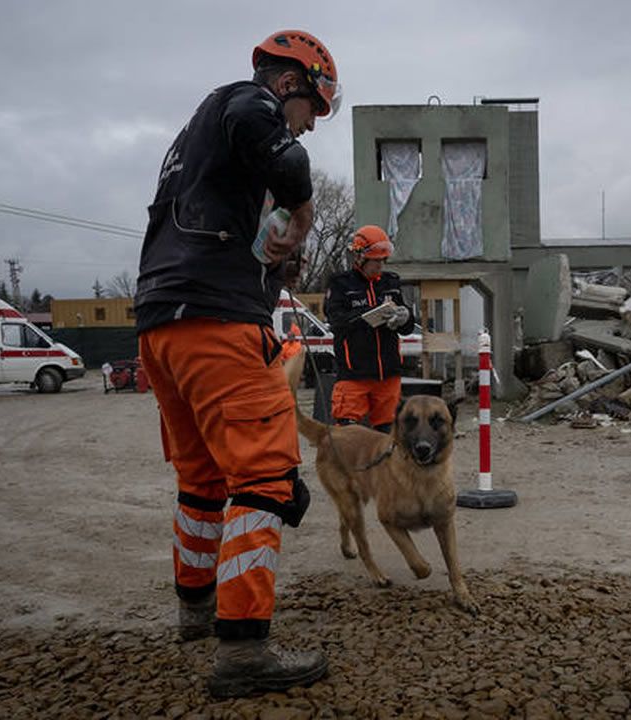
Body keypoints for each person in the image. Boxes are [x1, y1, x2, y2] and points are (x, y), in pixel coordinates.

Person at [133, 29, 340, 699]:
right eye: (311, 110)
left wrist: (273, 265)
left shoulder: (194, 138)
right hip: (217, 324)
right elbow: (283, 155)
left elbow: (222, 220)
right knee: (265, 477)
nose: (309, 126)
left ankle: (195, 609)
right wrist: (301, 210)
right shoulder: (247, 101)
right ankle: (244, 649)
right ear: (289, 83)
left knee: (201, 478)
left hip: (163, 324)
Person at [323, 225, 416, 432]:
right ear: (360, 257)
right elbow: (336, 321)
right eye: (375, 260)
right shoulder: (340, 284)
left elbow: (408, 328)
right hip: (354, 374)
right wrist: (369, 315)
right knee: (347, 435)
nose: (380, 265)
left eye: (383, 260)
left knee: (388, 435)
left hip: (388, 375)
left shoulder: (391, 283)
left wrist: (405, 317)